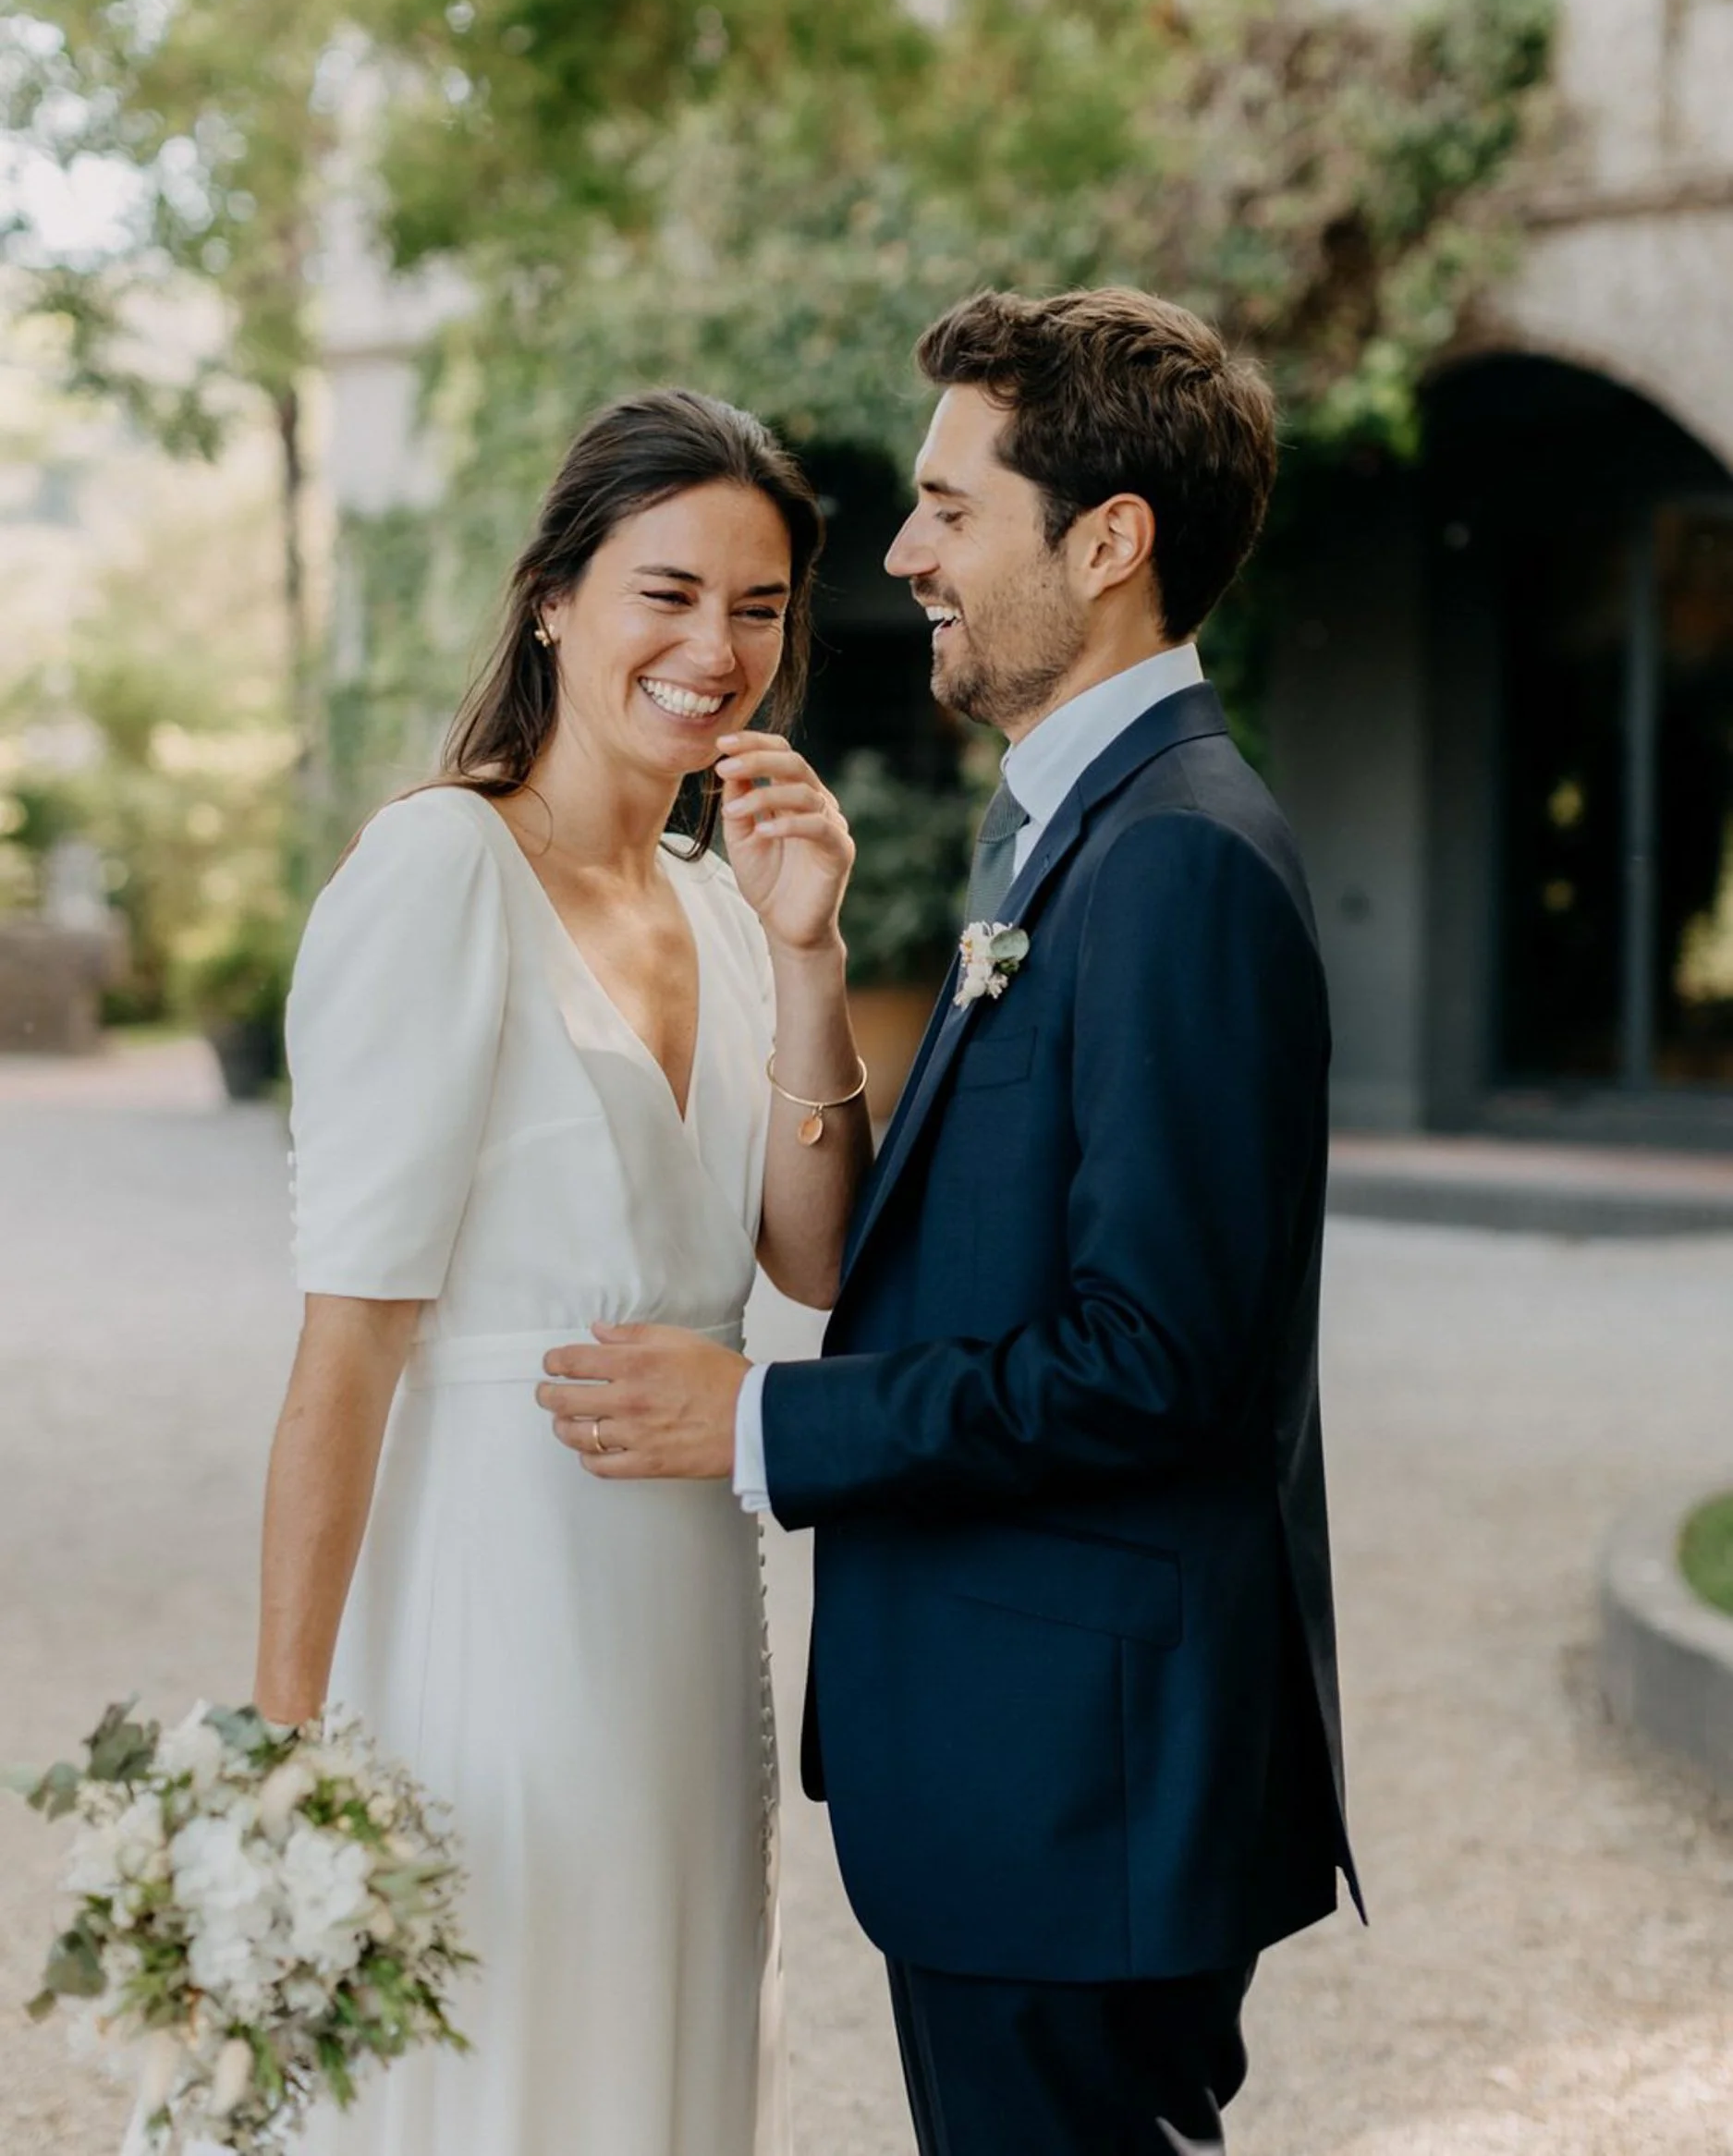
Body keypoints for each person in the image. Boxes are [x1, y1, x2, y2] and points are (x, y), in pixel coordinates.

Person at [538, 289, 1363, 2156]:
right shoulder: (1059, 830)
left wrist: (754, 1419)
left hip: (1091, 1779)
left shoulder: (1175, 861)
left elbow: (1158, 1364)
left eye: (947, 506)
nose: (901, 550)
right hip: (1031, 1764)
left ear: (1107, 541)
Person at [252, 388, 872, 2156]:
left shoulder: (722, 899)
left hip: (683, 1615)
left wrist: (808, 950)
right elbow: (345, 1355)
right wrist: (284, 1760)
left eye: (758, 608)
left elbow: (813, 1264)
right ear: (553, 600)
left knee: (664, 2067)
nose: (716, 649)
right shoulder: (440, 868)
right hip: (488, 1613)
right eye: (665, 593)